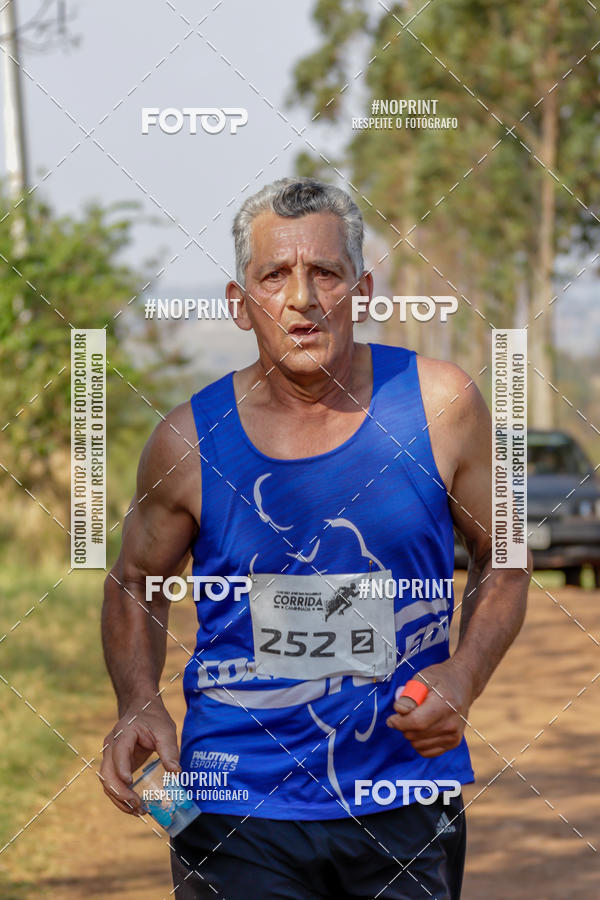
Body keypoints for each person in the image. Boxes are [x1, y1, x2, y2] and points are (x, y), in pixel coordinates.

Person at [100, 177, 531, 899]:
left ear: (361, 292)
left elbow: (506, 552)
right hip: (234, 802)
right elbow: (134, 580)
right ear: (240, 304)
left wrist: (465, 675)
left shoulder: (440, 404)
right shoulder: (188, 440)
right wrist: (138, 700)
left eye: (325, 273)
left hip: (401, 792)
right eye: (275, 275)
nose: (302, 298)